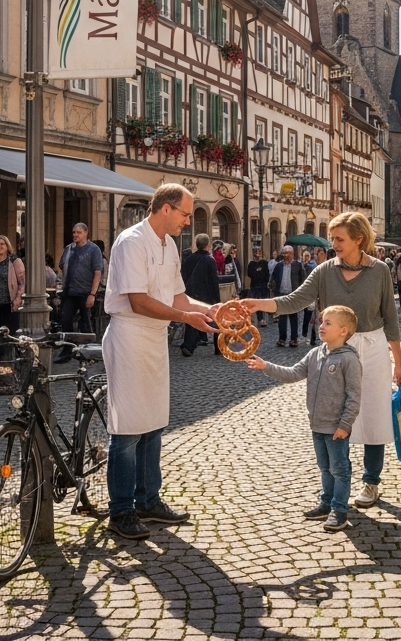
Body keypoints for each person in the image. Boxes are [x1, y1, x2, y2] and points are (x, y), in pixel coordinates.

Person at [244, 212, 401, 509]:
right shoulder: (324, 270)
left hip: (372, 348)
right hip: (335, 349)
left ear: (359, 239)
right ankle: (335, 487)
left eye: (340, 239)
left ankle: (371, 481)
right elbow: (295, 299)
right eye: (333, 238)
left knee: (372, 416)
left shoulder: (381, 271)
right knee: (333, 416)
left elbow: (391, 320)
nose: (334, 244)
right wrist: (258, 304)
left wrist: (399, 364)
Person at [101, 183, 219, 540]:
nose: (188, 221)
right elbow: (137, 300)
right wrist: (186, 319)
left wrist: (211, 309)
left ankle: (148, 500)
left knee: (153, 424)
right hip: (129, 336)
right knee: (126, 429)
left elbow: (179, 296)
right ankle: (121, 510)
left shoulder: (169, 246)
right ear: (165, 208)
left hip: (154, 340)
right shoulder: (131, 242)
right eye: (185, 214)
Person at [246, 305, 361, 531]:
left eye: (328, 323)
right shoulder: (315, 353)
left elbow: (354, 396)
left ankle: (339, 511)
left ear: (343, 330)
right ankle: (326, 503)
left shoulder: (349, 359)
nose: (321, 326)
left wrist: (345, 425)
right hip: (317, 424)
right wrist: (265, 366)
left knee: (340, 469)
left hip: (336, 427)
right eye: (322, 321)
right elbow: (292, 373)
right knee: (324, 467)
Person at [54, 222, 104, 362]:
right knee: (66, 320)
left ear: (86, 233)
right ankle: (67, 349)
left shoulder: (93, 250)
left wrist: (92, 294)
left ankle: (89, 352)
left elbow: (98, 272)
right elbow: (62, 267)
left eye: (78, 232)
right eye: (74, 232)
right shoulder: (69, 249)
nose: (75, 235)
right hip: (70, 292)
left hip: (86, 292)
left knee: (86, 323)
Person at [180, 234, 221, 356]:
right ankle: (218, 347)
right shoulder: (209, 260)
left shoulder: (188, 259)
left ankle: (188, 345)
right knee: (216, 319)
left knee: (191, 319)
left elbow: (184, 276)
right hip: (205, 295)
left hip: (190, 294)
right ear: (208, 245)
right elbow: (214, 281)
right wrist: (216, 299)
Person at [271, 245, 306, 347]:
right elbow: (273, 278)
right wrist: (273, 289)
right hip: (281, 295)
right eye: (285, 253)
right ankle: (282, 339)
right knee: (282, 319)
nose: (286, 255)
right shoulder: (279, 266)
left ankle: (294, 339)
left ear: (292, 254)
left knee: (294, 318)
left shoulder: (298, 265)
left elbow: (303, 279)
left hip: (293, 295)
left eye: (288, 253)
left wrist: (301, 293)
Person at [246, 247, 271, 327]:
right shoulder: (251, 264)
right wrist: (258, 273)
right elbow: (250, 274)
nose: (257, 253)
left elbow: (267, 273)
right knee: (257, 303)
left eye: (259, 251)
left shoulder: (264, 263)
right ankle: (261, 319)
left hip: (263, 285)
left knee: (264, 302)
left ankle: (269, 316)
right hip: (255, 286)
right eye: (255, 251)